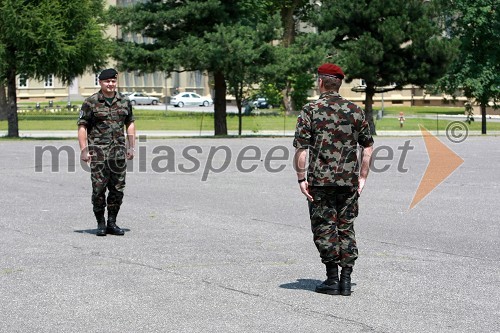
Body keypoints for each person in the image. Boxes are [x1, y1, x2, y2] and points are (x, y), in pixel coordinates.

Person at [293, 63, 374, 296]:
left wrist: (301, 178)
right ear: (339, 83)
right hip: (348, 182)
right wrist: (362, 177)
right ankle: (346, 280)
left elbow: (301, 148)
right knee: (345, 226)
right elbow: (367, 147)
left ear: (320, 82)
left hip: (320, 181)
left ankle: (332, 279)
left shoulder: (310, 109)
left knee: (324, 226)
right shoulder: (355, 111)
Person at [77, 68, 136, 236]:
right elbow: (83, 126)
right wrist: (83, 150)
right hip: (98, 154)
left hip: (118, 154)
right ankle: (100, 223)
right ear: (101, 83)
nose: (111, 84)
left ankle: (112, 222)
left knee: (117, 189)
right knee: (98, 189)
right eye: (107, 81)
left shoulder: (124, 101)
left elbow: (130, 124)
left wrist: (131, 146)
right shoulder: (91, 102)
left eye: (113, 81)